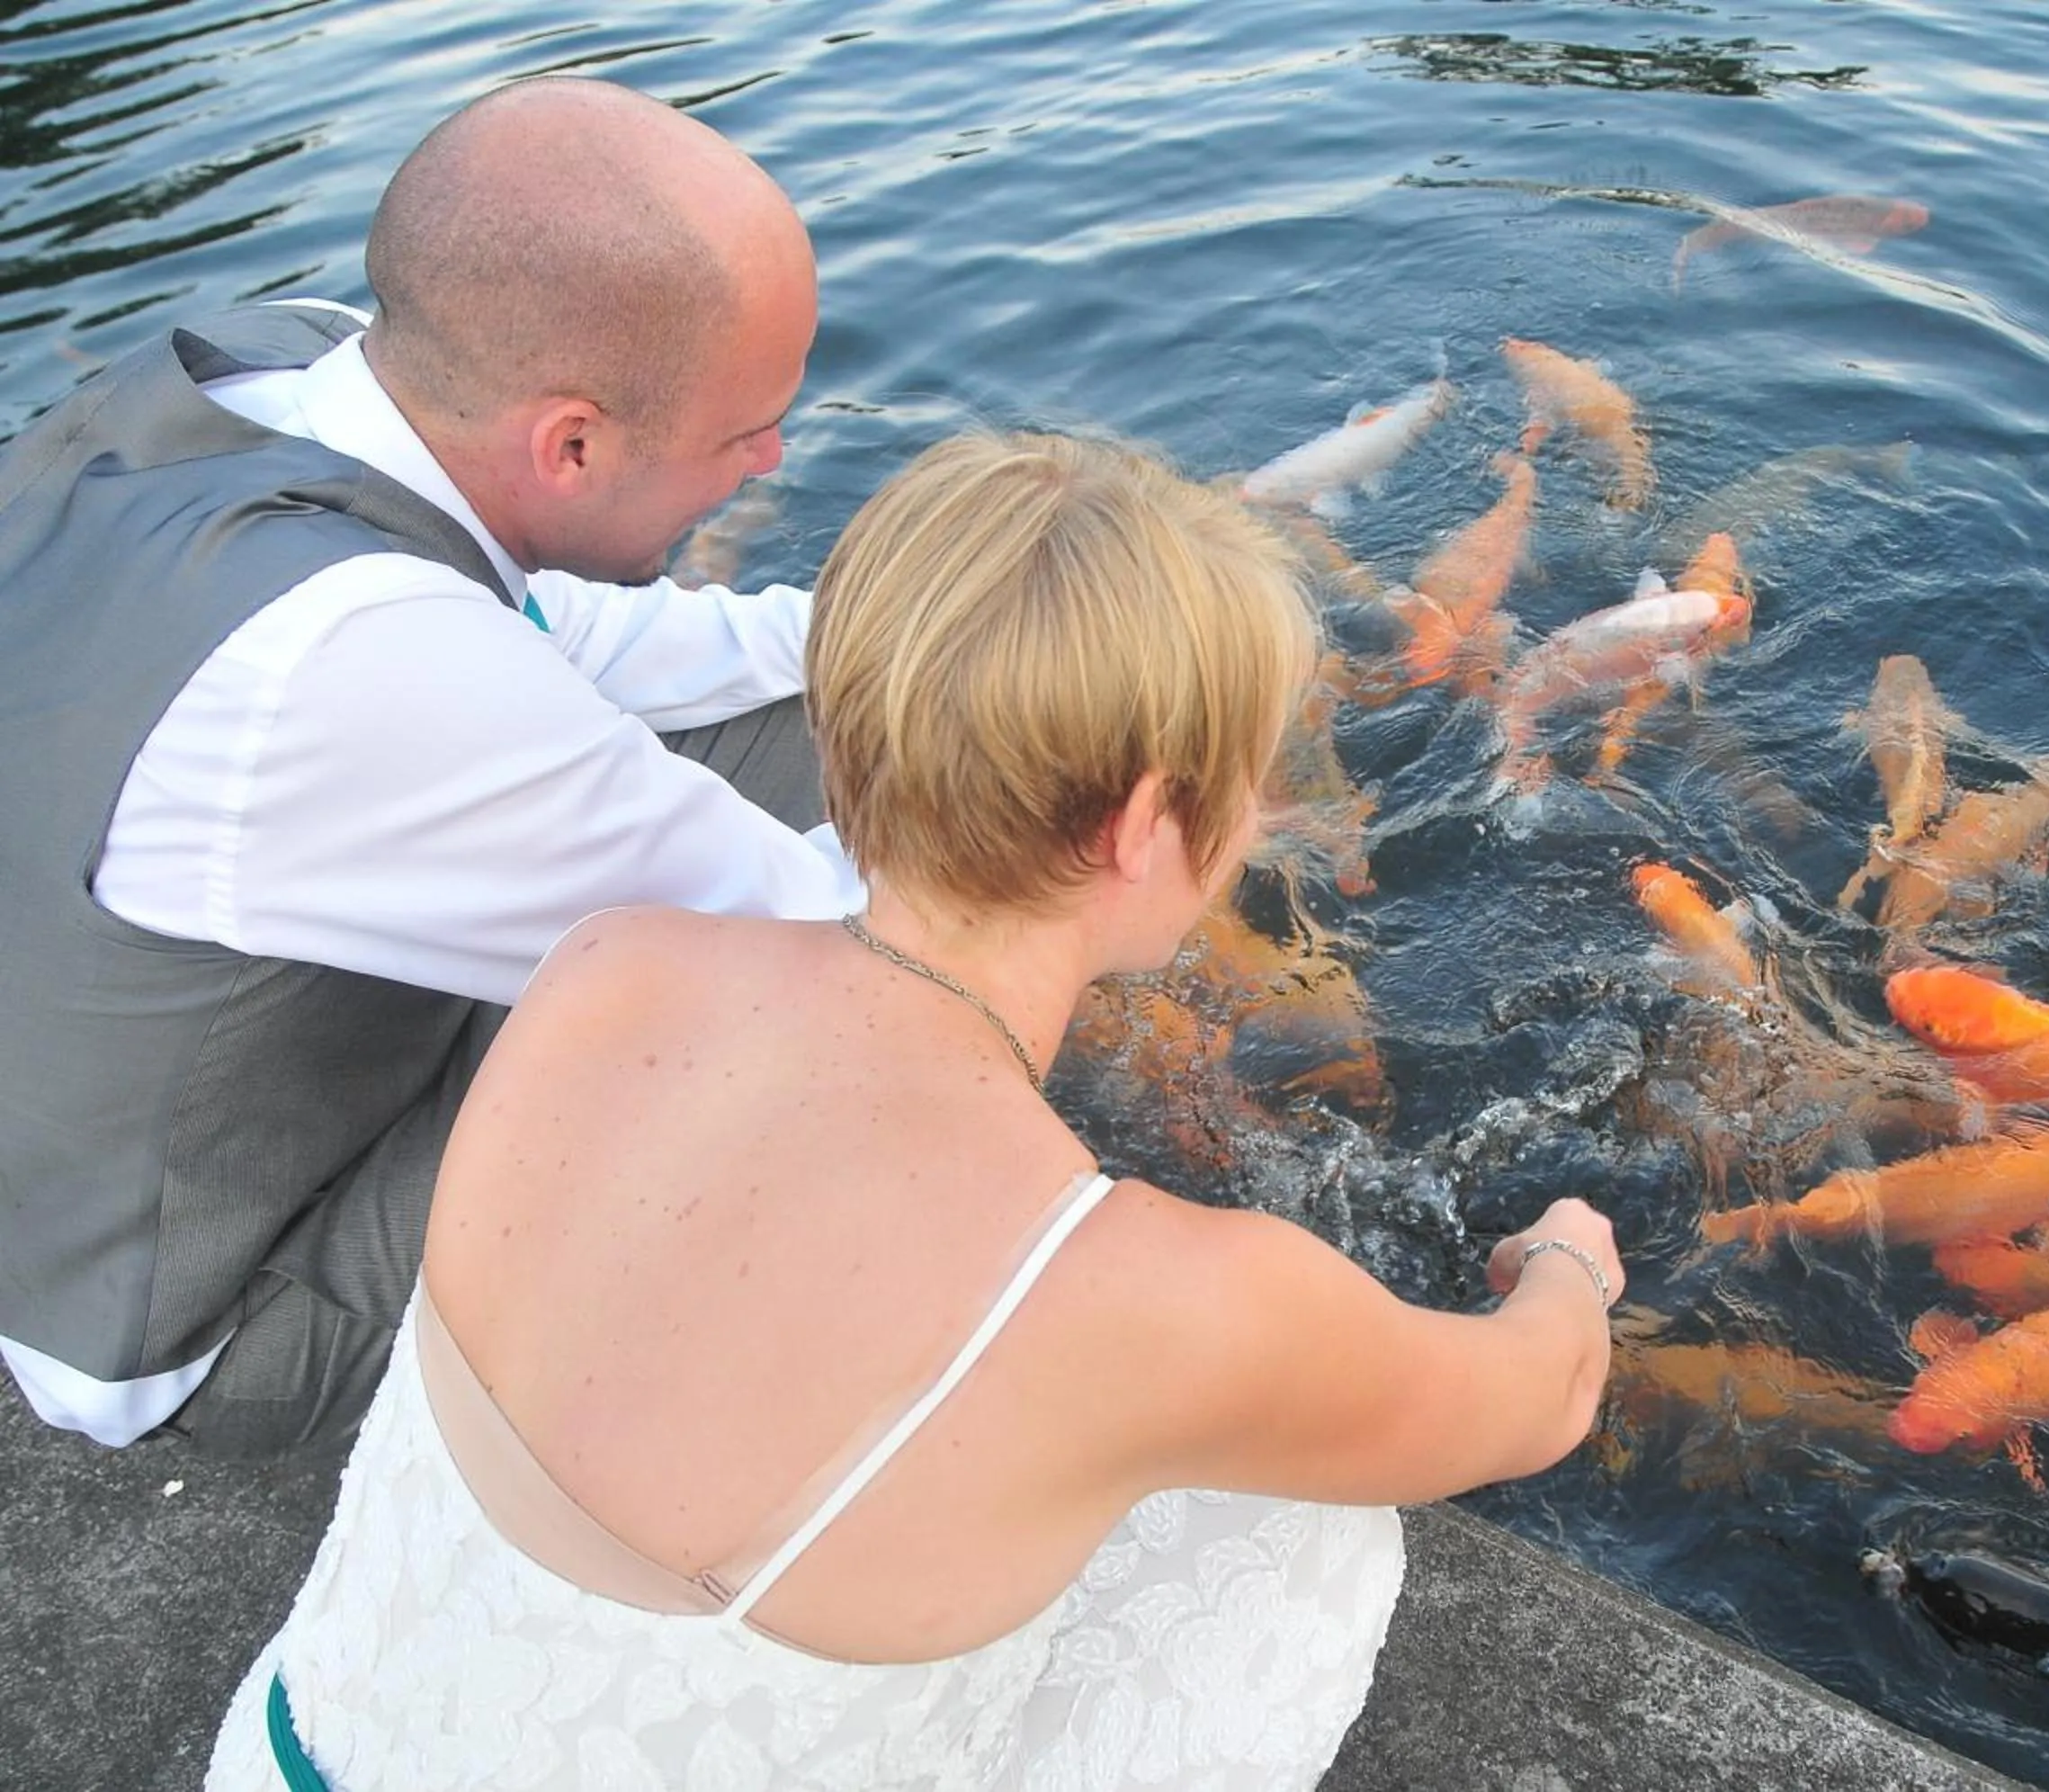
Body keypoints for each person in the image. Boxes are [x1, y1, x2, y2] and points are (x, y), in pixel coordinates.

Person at [200, 430, 1626, 1788]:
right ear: (1142, 827)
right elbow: (1543, 1396)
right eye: (1249, 778)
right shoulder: (1144, 1293)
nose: (1258, 818)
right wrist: (1568, 1259)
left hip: (282, 1758)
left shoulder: (605, 969)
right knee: (1313, 1540)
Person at [0, 77, 857, 1458]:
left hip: (144, 1095)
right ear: (570, 444)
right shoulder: (360, 660)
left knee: (868, 727)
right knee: (793, 1060)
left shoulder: (305, 367)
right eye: (742, 433)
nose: (774, 457)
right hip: (216, 1306)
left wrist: (940, 638)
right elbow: (828, 952)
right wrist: (1081, 811)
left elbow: (575, 632)